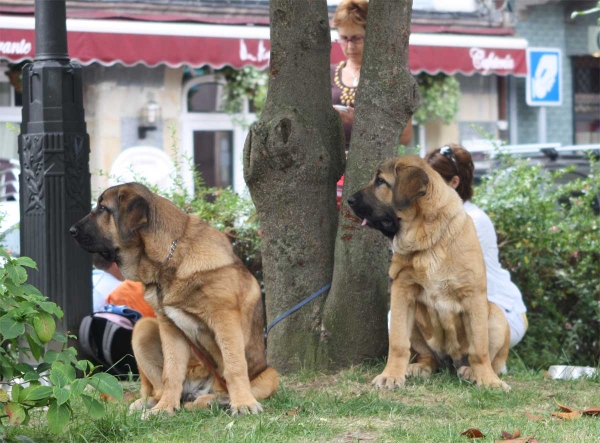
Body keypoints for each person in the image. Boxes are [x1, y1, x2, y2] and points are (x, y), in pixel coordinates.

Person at [425, 144, 528, 348]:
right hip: (463, 311)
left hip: (500, 314)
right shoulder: (434, 218)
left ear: (454, 182)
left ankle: (489, 361)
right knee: (396, 319)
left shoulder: (474, 220)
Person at [331, 0, 412, 205]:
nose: (349, 46)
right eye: (343, 38)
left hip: (373, 173)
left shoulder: (388, 77)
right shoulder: (328, 74)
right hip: (330, 171)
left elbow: (405, 136)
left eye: (357, 38)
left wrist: (360, 122)